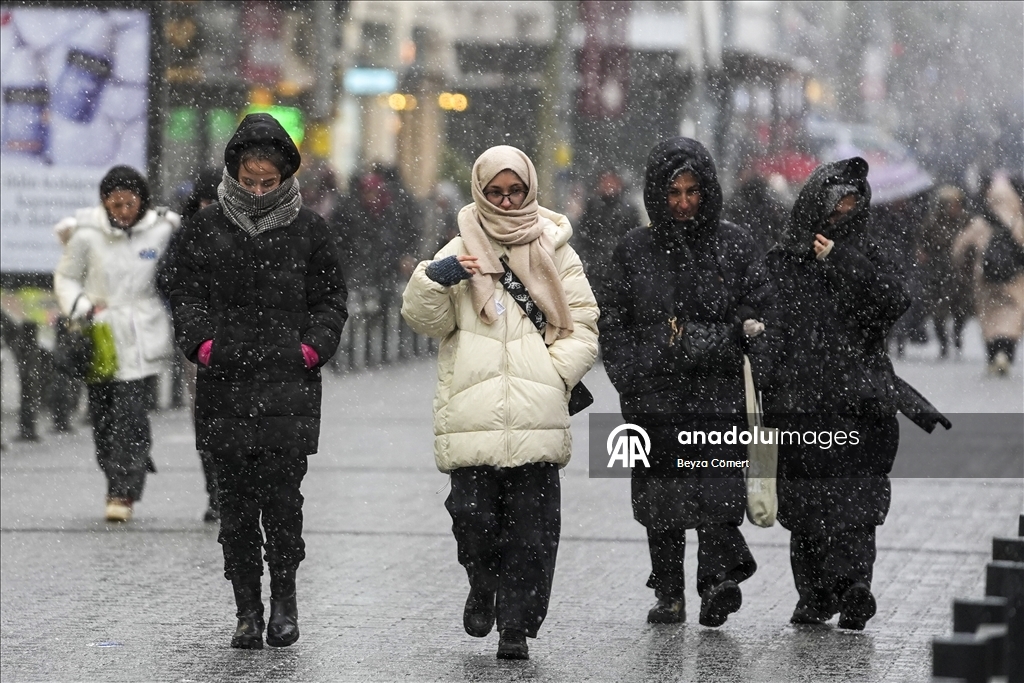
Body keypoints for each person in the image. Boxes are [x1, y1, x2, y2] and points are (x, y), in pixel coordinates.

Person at [401, 145, 599, 660]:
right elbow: (428, 321)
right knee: (472, 518)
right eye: (496, 192)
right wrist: (436, 278)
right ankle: (481, 580)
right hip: (473, 412)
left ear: (530, 189)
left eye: (515, 191)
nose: (507, 202)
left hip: (537, 413)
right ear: (480, 192)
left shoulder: (557, 247)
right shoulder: (458, 246)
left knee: (531, 533)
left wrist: (551, 376)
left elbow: (583, 326)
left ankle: (515, 626)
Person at [167, 113, 348, 649]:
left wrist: (311, 348)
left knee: (283, 503)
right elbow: (184, 294)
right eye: (250, 181)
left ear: (287, 176)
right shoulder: (205, 228)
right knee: (236, 508)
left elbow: (331, 300)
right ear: (235, 173)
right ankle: (247, 607)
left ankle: (285, 600)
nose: (259, 190)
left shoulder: (310, 230)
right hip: (225, 385)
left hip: (288, 387)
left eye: (269, 182)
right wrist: (204, 345)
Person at [599, 137, 773, 628]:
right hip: (654, 398)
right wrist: (637, 374)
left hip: (717, 396)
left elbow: (758, 310)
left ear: (707, 190)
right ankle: (669, 591)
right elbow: (613, 322)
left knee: (718, 493)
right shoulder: (634, 250)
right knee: (662, 499)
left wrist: (719, 339)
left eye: (692, 191)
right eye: (673, 192)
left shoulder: (734, 244)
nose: (682, 202)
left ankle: (717, 581)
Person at [763, 157, 910, 630]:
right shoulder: (783, 259)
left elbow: (893, 300)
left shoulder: (870, 253)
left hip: (858, 403)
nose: (843, 213)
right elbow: (769, 324)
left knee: (856, 501)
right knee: (804, 506)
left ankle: (854, 587)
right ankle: (815, 594)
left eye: (852, 204)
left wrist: (842, 262)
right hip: (800, 405)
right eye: (835, 203)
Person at [53, 165, 180, 523]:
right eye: (115, 204)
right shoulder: (86, 235)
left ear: (142, 201)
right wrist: (80, 306)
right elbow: (67, 277)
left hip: (142, 335)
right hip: (100, 336)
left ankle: (123, 490)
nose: (123, 211)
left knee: (131, 415)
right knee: (103, 418)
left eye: (129, 203)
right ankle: (118, 472)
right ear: (104, 203)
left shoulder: (162, 230)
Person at [157, 167, 221, 522]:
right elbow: (166, 279)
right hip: (200, 344)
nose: (209, 207)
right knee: (206, 418)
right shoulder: (186, 236)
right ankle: (216, 491)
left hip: (244, 341)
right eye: (205, 200)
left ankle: (233, 490)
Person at [952, 172, 1024, 375]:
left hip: (986, 276)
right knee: (1012, 316)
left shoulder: (981, 221)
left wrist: (962, 268)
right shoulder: (1019, 221)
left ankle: (993, 354)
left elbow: (959, 248)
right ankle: (1006, 353)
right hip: (1014, 279)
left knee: (989, 316)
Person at [917, 185, 972, 358]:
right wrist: (923, 253)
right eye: (950, 204)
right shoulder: (932, 222)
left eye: (957, 204)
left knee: (961, 310)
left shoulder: (966, 221)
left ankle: (957, 334)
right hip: (937, 273)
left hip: (960, 274)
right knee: (938, 313)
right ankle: (943, 343)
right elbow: (921, 244)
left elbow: (974, 243)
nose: (954, 208)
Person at [574, 168, 640, 305]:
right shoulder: (592, 207)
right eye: (605, 181)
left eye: (612, 181)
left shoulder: (629, 210)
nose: (609, 185)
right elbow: (581, 238)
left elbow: (636, 240)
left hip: (619, 271)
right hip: (595, 270)